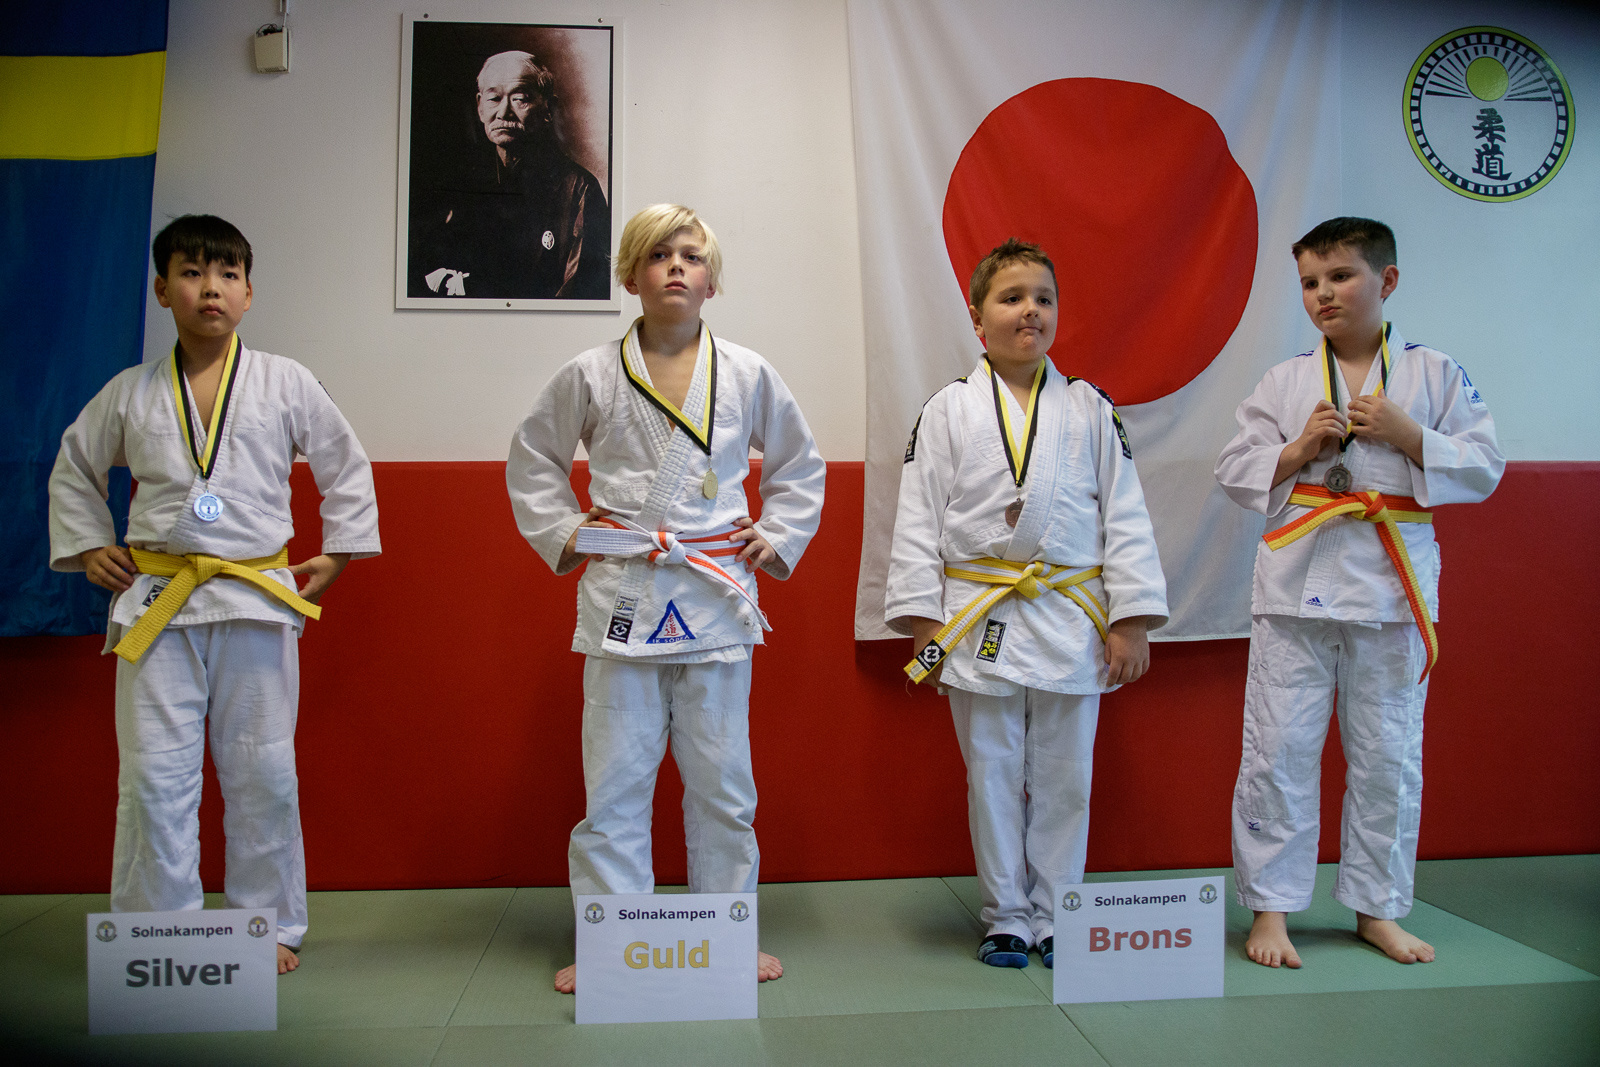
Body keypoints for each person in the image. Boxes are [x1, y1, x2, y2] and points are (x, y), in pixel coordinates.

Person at [48, 215, 381, 975]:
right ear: (162, 289)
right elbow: (74, 467)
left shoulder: (285, 381)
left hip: (254, 597)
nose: (211, 289)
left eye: (228, 275)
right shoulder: (129, 391)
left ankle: (268, 924)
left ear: (249, 293)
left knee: (263, 771)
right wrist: (91, 543)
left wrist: (339, 549)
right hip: (157, 600)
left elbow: (344, 461)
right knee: (153, 774)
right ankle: (158, 929)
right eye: (192, 273)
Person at [506, 204, 825, 993]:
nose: (675, 266)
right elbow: (534, 456)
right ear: (629, 275)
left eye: (691, 255)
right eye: (657, 255)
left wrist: (779, 533)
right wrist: (568, 531)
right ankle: (612, 940)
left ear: (712, 280)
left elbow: (799, 462)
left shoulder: (747, 372)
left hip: (714, 594)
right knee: (615, 784)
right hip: (626, 593)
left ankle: (726, 929)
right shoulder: (590, 372)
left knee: (723, 783)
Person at [1216, 217, 1504, 969]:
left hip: (1391, 588)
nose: (1323, 293)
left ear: (1387, 280)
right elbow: (1235, 468)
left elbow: (1485, 465)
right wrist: (1297, 449)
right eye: (1310, 282)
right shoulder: (1285, 380)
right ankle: (1271, 909)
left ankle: (1378, 908)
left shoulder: (1434, 374)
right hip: (1296, 586)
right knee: (1278, 748)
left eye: (1340, 276)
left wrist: (1412, 436)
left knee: (1388, 753)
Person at [886, 238, 1168, 969]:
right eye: (1011, 298)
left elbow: (1126, 514)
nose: (1030, 311)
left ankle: (1058, 910)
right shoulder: (948, 409)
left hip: (1072, 612)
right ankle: (1007, 914)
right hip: (976, 611)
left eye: (1043, 298)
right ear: (977, 317)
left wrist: (1132, 618)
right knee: (992, 772)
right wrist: (923, 623)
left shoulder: (1090, 408)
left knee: (1067, 775)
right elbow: (917, 518)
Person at [411, 49, 609, 300]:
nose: (503, 112)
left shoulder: (579, 188)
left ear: (549, 108)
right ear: (479, 107)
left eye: (520, 99)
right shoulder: (458, 183)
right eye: (494, 99)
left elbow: (581, 290)